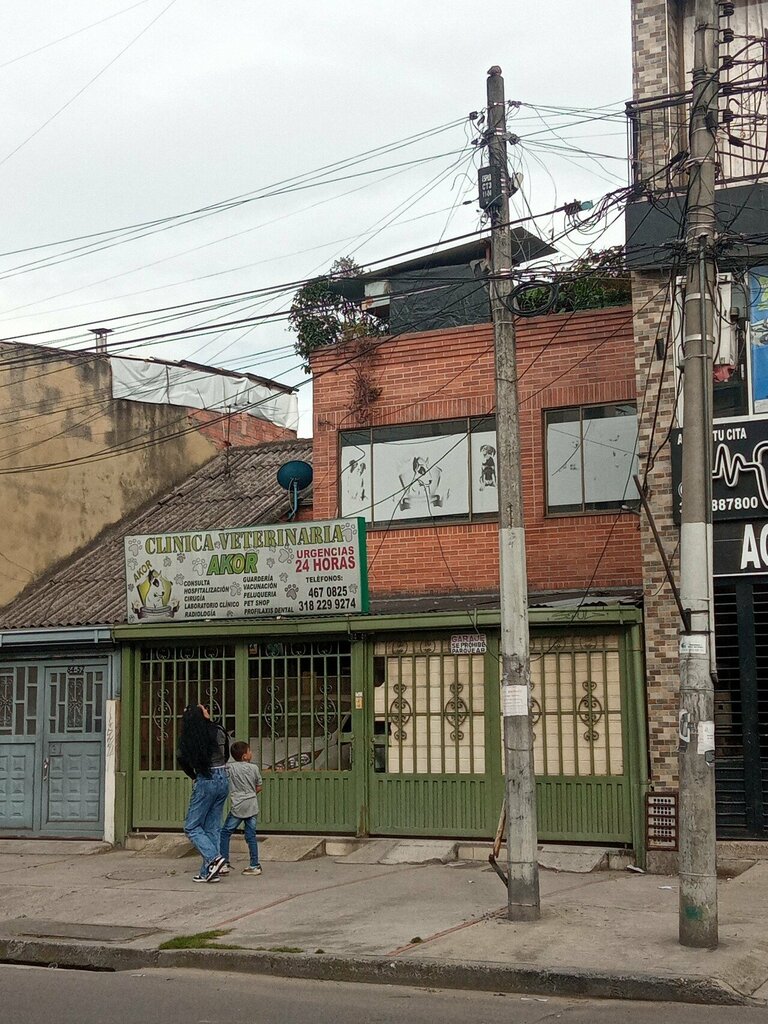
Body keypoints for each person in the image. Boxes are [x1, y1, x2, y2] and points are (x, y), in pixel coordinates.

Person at [177, 704, 230, 883]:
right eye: (204, 709)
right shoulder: (218, 730)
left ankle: (214, 858)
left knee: (191, 827)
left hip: (206, 778)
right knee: (212, 826)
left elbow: (181, 759)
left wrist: (194, 775)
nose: (207, 710)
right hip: (223, 775)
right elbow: (226, 753)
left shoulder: (189, 736)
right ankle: (208, 872)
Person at [219, 740, 263, 876]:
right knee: (251, 835)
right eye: (250, 751)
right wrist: (250, 794)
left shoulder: (229, 768)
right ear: (245, 756)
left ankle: (224, 862)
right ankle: (254, 864)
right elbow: (259, 787)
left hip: (238, 805)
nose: (251, 753)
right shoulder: (254, 768)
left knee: (225, 833)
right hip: (252, 805)